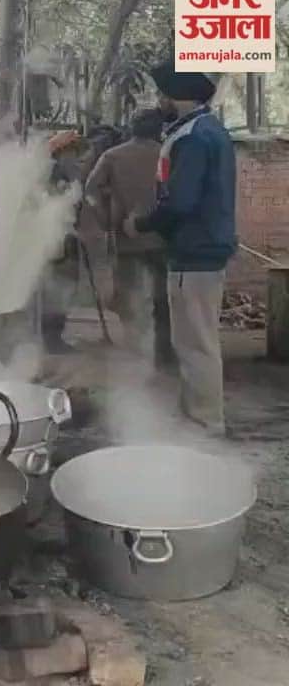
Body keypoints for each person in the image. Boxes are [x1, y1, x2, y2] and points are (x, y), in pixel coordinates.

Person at [124, 66, 235, 437]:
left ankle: (205, 423)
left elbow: (180, 202)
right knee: (193, 341)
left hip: (194, 250)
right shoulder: (208, 129)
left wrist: (141, 224)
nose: (160, 101)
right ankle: (194, 415)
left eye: (163, 94)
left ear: (178, 96)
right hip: (204, 247)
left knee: (195, 344)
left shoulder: (192, 137)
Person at [86, 109, 176, 369]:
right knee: (163, 300)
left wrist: (105, 221)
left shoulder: (113, 156)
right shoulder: (169, 154)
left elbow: (90, 191)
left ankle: (134, 356)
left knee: (129, 297)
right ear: (159, 129)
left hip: (126, 240)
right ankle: (163, 355)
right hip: (163, 238)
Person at [40, 130, 85, 354]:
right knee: (56, 288)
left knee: (59, 288)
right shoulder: (56, 171)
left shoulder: (60, 169)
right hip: (56, 237)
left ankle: (51, 336)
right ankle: (51, 338)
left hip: (63, 235)